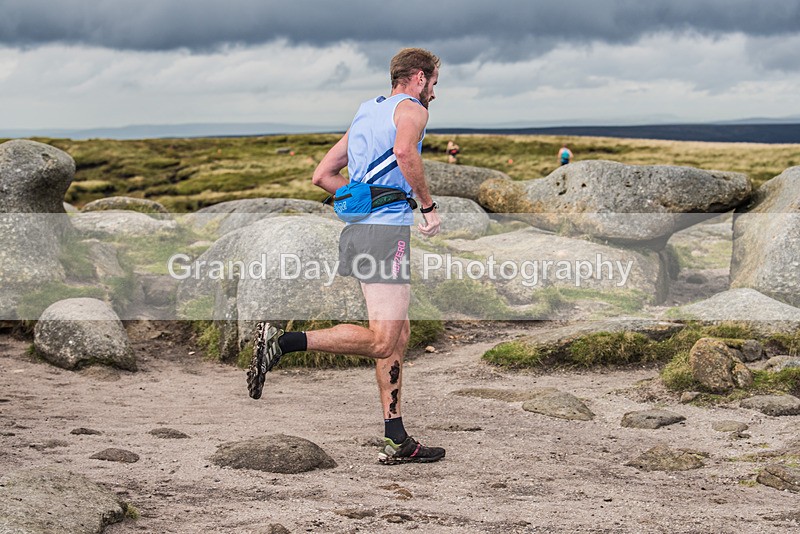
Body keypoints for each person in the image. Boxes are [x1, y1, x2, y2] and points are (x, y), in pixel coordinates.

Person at [247, 48, 445, 465]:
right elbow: (405, 153)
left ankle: (396, 437)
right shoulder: (412, 110)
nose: (435, 92)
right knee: (383, 339)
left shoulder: (366, 112)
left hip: (359, 232)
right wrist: (427, 206)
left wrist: (363, 197)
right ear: (419, 77)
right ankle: (282, 342)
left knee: (398, 336)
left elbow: (322, 175)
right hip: (386, 234)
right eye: (434, 83)